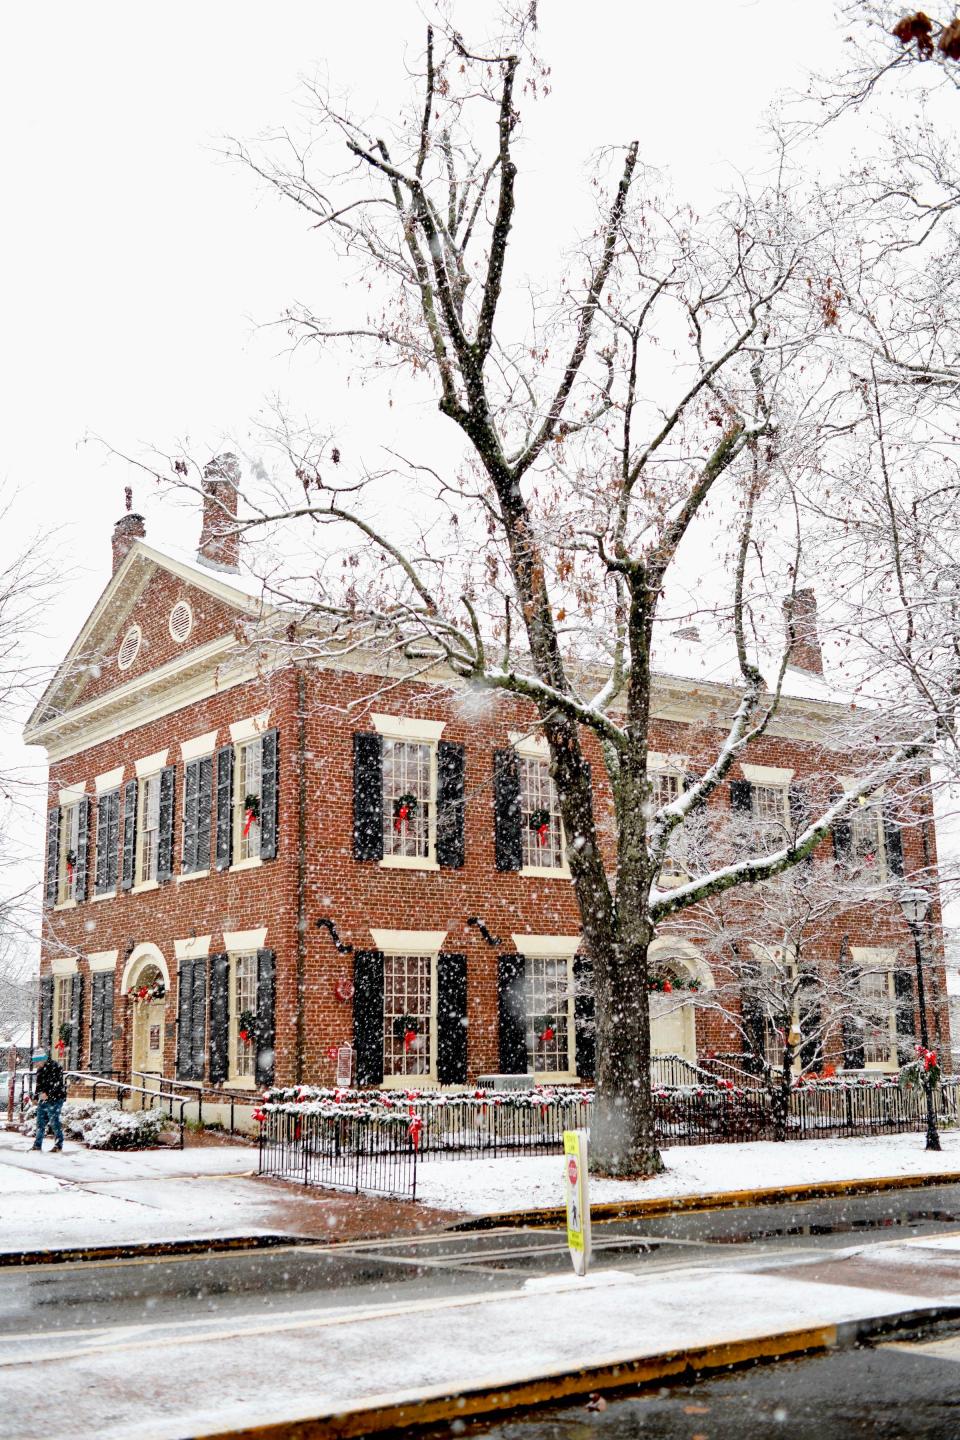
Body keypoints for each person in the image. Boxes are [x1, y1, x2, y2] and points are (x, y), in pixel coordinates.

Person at [32, 1050, 67, 1152]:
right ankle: (37, 1145)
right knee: (40, 1123)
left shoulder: (55, 1067)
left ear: (43, 1060)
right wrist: (35, 1097)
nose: (36, 1064)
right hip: (43, 1099)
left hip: (55, 1099)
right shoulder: (40, 1070)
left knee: (54, 1122)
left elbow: (57, 1083)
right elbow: (39, 1085)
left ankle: (58, 1145)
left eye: (37, 1062)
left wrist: (47, 1093)